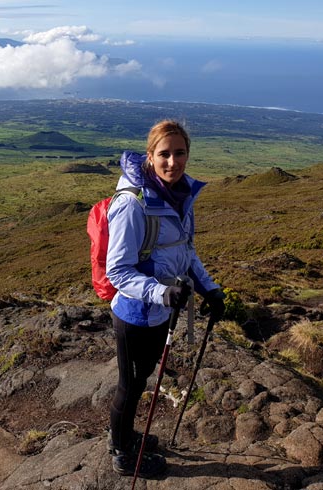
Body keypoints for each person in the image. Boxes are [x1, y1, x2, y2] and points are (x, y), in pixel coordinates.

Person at [106, 120, 225, 477]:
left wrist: (209, 288)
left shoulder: (181, 194)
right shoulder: (133, 205)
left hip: (163, 312)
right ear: (150, 156)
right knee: (130, 384)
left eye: (180, 153)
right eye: (164, 154)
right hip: (135, 314)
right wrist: (162, 292)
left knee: (142, 379)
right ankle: (122, 453)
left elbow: (185, 251)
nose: (173, 162)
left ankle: (125, 435)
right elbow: (118, 271)